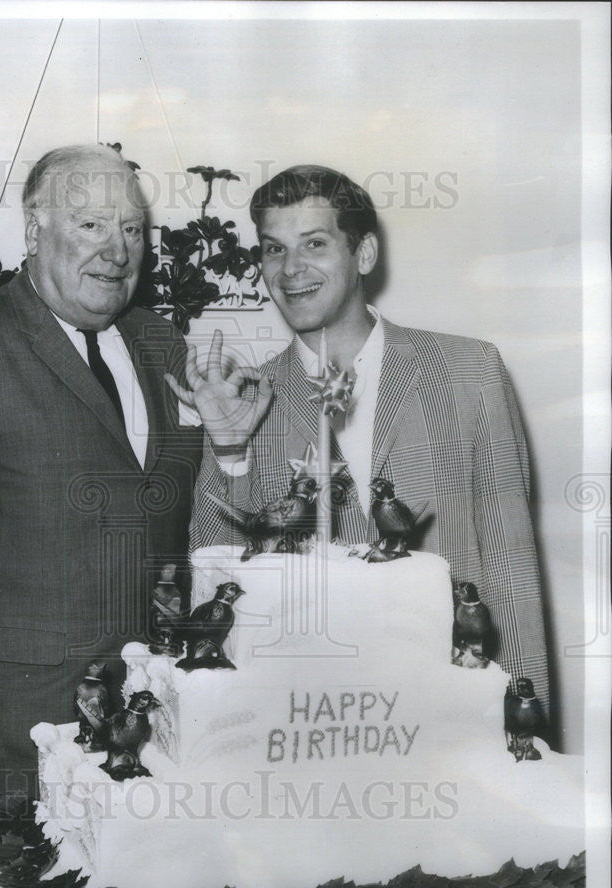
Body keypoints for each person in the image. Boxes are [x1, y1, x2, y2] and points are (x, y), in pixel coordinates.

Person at [0, 144, 201, 813]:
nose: (117, 250)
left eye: (132, 230)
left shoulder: (164, 346)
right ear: (34, 231)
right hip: (21, 732)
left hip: (156, 723)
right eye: (91, 225)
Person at [168, 164, 549, 714]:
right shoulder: (242, 400)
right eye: (273, 249)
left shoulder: (470, 371)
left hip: (454, 710)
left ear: (363, 254)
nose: (290, 269)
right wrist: (229, 451)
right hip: (309, 724)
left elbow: (511, 568)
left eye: (314, 244)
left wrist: (525, 720)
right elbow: (213, 574)